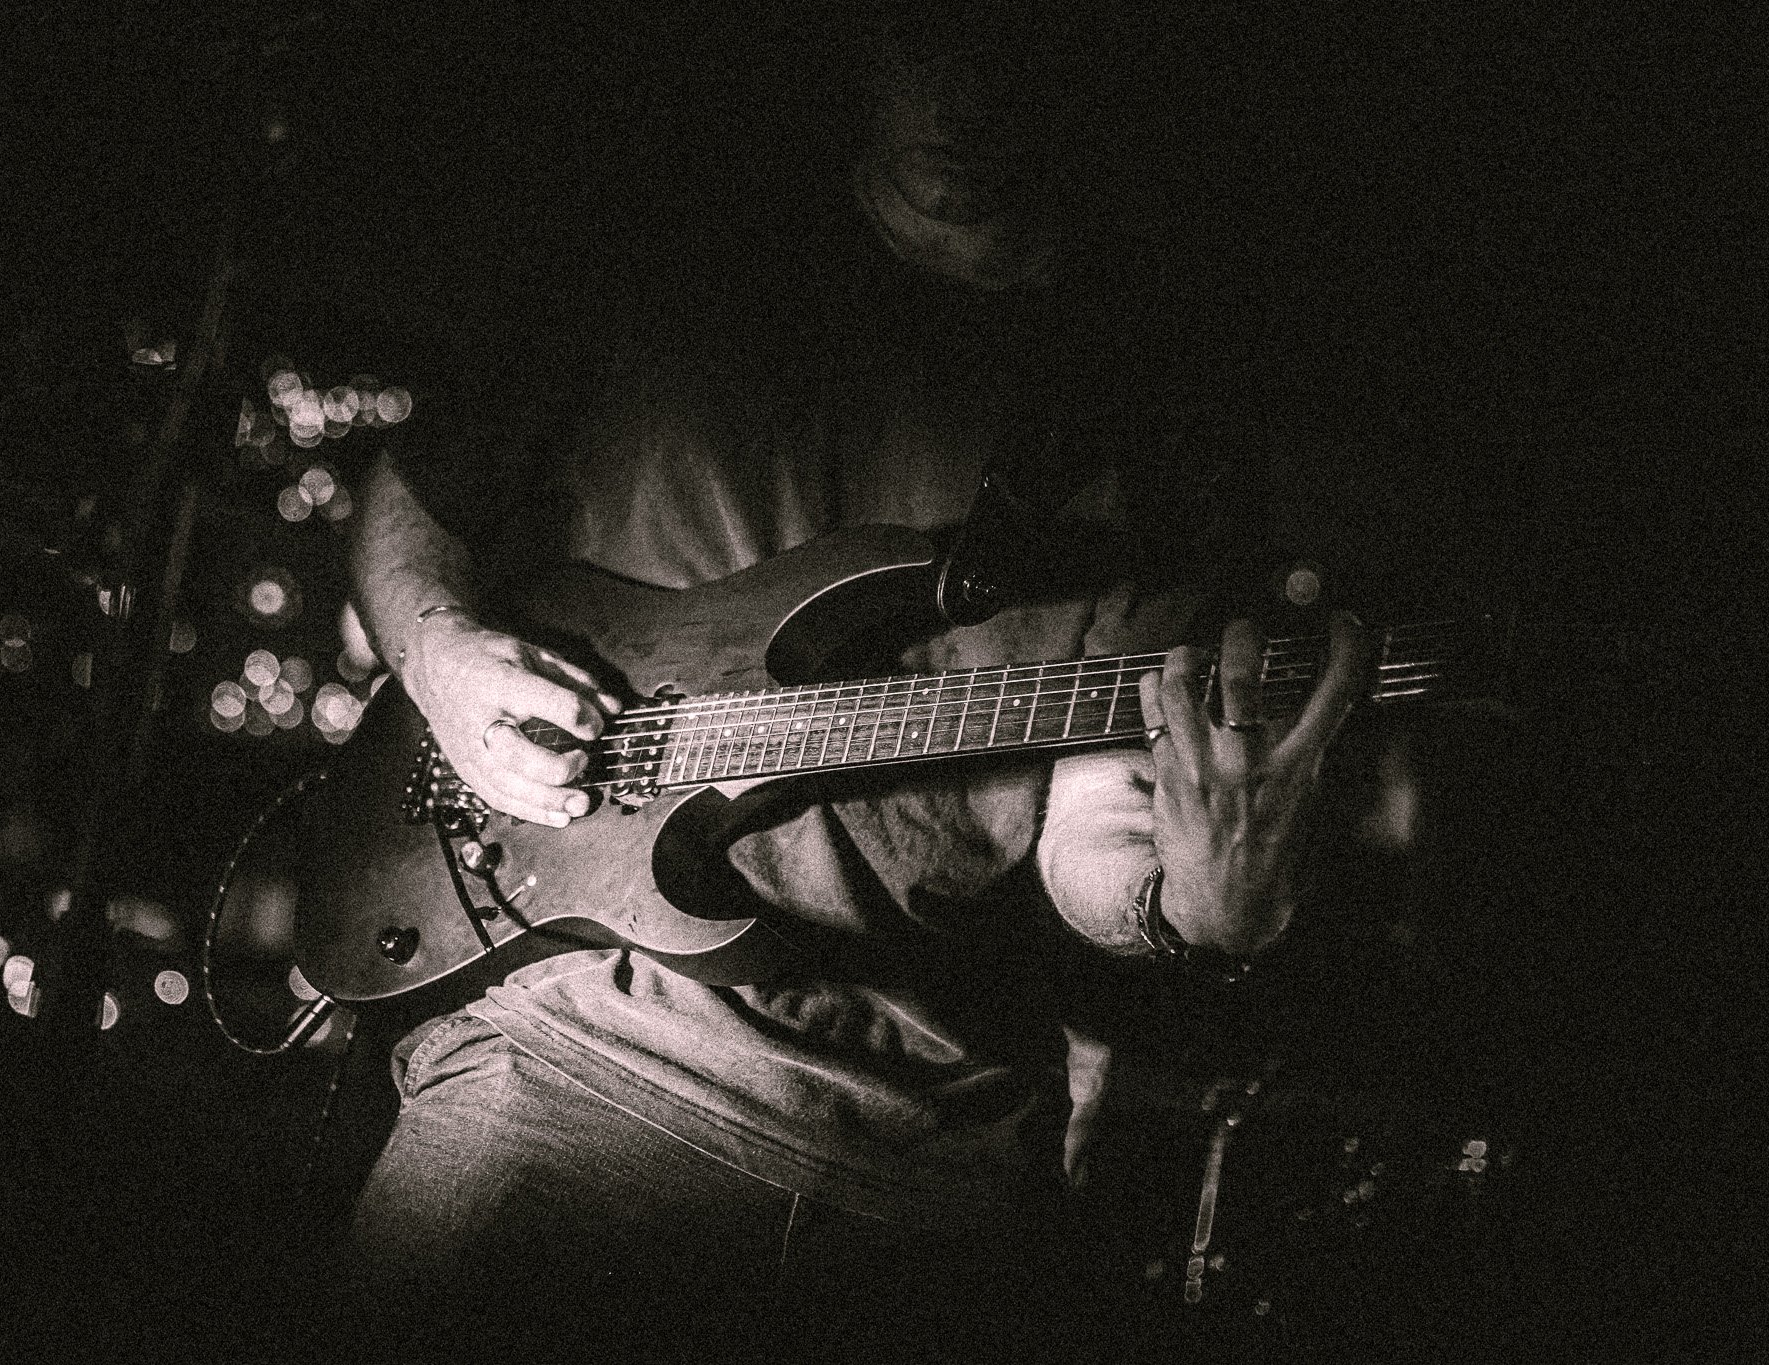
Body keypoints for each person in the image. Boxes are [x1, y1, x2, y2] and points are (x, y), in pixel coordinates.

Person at [334, 11, 1371, 1361]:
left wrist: (1202, 904)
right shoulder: (674, 240)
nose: (964, 81)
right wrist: (446, 660)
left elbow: (1088, 832)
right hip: (575, 1039)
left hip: (927, 1149)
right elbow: (413, 502)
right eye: (924, 30)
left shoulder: (1160, 401)